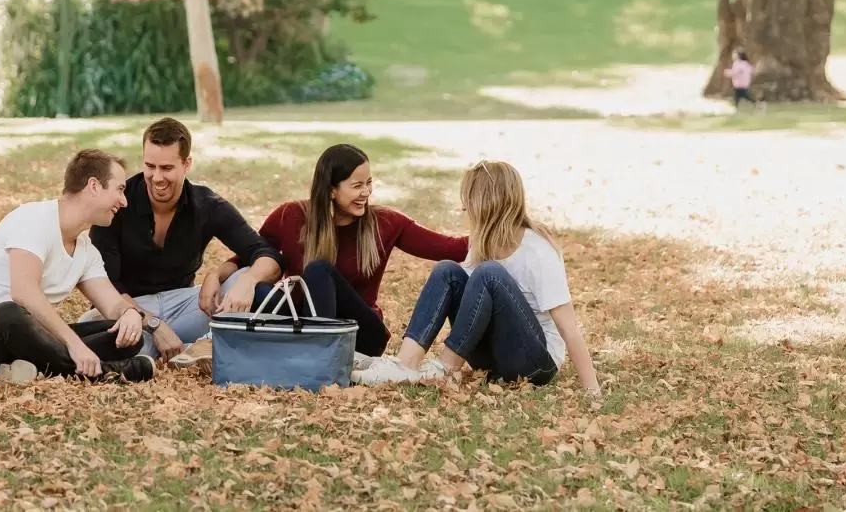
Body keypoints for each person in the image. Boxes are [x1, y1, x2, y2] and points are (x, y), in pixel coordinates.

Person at [351, 160, 600, 394]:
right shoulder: (482, 243)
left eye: (468, 200)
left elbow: (569, 329)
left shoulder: (538, 252)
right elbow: (471, 303)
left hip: (535, 364)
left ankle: (445, 368)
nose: (464, 207)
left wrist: (592, 391)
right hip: (491, 362)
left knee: (488, 273)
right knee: (447, 270)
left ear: (486, 203)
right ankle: (404, 364)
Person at [227, 143, 469, 358]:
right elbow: (245, 257)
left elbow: (453, 248)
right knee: (258, 292)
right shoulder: (291, 216)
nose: (366, 192)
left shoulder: (385, 223)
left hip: (362, 334)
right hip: (301, 320)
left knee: (319, 270)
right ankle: (304, 349)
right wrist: (216, 279)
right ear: (331, 190)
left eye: (369, 183)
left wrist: (500, 224)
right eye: (357, 186)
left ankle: (317, 356)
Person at [81, 117, 284, 370]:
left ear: (186, 164)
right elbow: (106, 285)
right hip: (127, 308)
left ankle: (179, 348)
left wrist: (241, 280)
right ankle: (189, 347)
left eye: (167, 168)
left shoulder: (207, 205)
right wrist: (154, 325)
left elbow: (268, 255)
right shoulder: (117, 202)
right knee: (98, 330)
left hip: (184, 306)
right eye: (150, 166)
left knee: (244, 276)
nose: (156, 177)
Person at [0, 149, 155, 383]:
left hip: (32, 338)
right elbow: (24, 293)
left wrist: (130, 314)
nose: (124, 201)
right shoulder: (34, 219)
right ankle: (104, 373)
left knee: (124, 335)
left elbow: (112, 303)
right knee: (11, 313)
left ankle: (27, 367)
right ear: (94, 186)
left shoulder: (86, 250)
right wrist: (74, 345)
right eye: (120, 190)